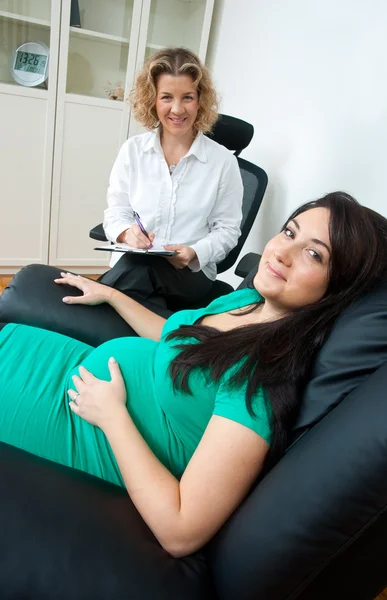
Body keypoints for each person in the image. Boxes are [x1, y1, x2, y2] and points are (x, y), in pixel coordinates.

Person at [0, 192, 386, 558]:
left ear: (338, 287)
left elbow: (181, 531)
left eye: (313, 254)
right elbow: (177, 338)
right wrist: (114, 296)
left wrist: (113, 416)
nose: (281, 252)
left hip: (81, 425)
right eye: (289, 231)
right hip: (74, 376)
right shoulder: (250, 300)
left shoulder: (261, 379)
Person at [97, 47, 243, 310]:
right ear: (153, 100)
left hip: (188, 275)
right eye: (166, 97)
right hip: (136, 265)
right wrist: (127, 234)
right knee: (139, 277)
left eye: (187, 97)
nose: (177, 109)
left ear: (200, 100)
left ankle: (94, 302)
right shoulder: (133, 151)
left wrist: (195, 252)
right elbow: (115, 213)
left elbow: (228, 230)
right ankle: (162, 337)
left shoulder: (223, 163)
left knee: (135, 273)